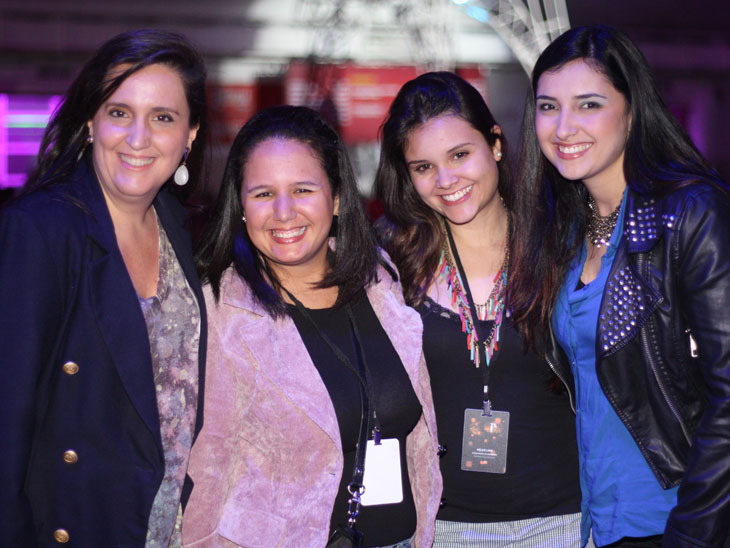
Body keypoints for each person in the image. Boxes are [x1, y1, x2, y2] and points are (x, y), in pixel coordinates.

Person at [509, 24, 730, 548]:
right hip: (592, 521)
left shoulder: (689, 214)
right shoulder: (562, 229)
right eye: (547, 107)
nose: (564, 127)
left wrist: (692, 534)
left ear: (631, 112)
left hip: (672, 522)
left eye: (588, 105)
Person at [182, 105, 442, 548]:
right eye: (262, 194)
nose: (284, 212)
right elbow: (206, 467)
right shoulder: (222, 310)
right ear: (241, 206)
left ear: (337, 198)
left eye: (303, 189)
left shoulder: (379, 280)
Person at [0, 29, 208, 547]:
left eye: (163, 118)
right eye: (119, 113)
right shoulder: (41, 229)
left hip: (166, 530)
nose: (137, 138)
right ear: (91, 122)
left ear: (190, 136)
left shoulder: (182, 230)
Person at [374, 71, 582, 547]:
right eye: (423, 167)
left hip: (562, 523)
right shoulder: (388, 262)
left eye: (460, 155)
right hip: (435, 527)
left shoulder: (559, 245)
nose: (447, 181)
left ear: (496, 145)